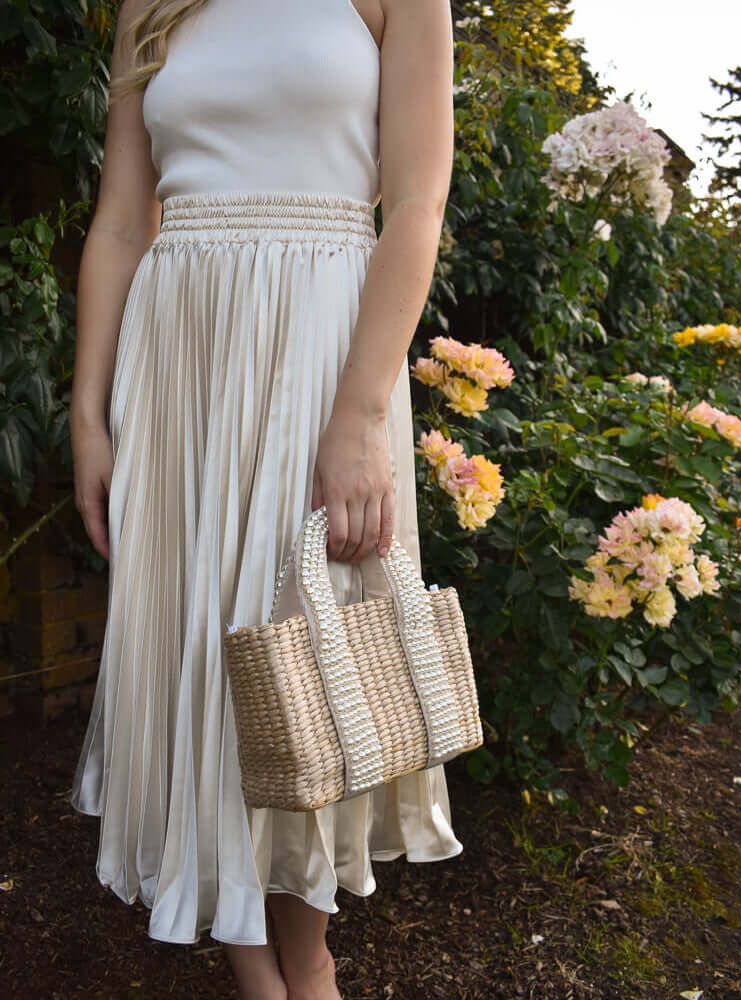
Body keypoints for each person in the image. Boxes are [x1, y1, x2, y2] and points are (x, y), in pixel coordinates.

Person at [67, 0, 458, 997]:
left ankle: (309, 954)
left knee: (305, 657)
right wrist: (88, 412)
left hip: (325, 355)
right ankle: (253, 963)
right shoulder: (148, 8)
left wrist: (363, 413)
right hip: (182, 364)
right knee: (203, 643)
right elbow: (120, 220)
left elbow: (416, 202)